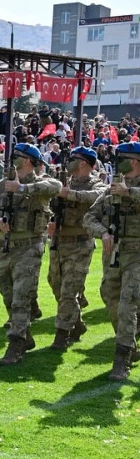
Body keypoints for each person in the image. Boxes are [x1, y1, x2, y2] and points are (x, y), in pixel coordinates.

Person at [0, 142, 61, 364]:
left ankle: (15, 344)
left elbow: (56, 186)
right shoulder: (1, 185)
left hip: (29, 247)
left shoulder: (41, 183)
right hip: (5, 248)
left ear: (27, 160)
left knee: (21, 296)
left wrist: (22, 189)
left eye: (17, 156)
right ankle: (25, 336)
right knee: (6, 291)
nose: (12, 159)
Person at [84, 142, 140, 380]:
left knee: (128, 302)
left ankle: (122, 359)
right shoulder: (110, 191)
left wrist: (129, 193)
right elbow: (89, 217)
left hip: (137, 253)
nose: (117, 165)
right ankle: (130, 343)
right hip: (114, 254)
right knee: (110, 296)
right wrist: (103, 233)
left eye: (121, 160)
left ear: (134, 161)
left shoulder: (127, 189)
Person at [46, 146, 104, 350]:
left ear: (83, 163)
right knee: (55, 284)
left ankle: (61, 335)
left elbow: (96, 196)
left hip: (80, 243)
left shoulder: (96, 184)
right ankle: (77, 323)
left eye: (72, 160)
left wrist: (67, 193)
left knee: (69, 290)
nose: (68, 163)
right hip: (59, 241)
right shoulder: (64, 182)